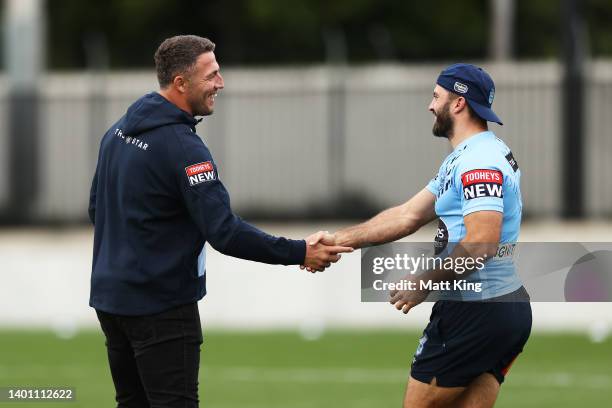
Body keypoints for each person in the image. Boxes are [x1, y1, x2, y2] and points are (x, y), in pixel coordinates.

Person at [88, 35, 352, 408]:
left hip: (111, 301)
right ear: (181, 83)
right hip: (161, 307)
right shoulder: (184, 148)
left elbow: (97, 209)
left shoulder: (116, 133)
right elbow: (224, 232)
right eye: (211, 75)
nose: (221, 83)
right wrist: (300, 252)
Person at [306, 63, 531, 408]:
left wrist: (424, 280)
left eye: (436, 96)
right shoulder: (471, 155)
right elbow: (408, 215)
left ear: (458, 103)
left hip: (476, 309)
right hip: (502, 307)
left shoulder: (479, 162)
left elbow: (481, 242)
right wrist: (338, 240)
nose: (430, 105)